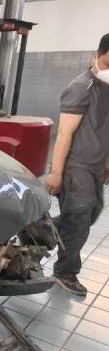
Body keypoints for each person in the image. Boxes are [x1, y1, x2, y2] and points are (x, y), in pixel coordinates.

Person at [45, 33, 109, 296]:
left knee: (91, 212)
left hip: (95, 166)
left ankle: (40, 230)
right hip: (76, 166)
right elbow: (64, 133)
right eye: (108, 64)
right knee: (79, 220)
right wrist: (56, 173)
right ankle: (65, 272)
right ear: (97, 55)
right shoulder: (81, 87)